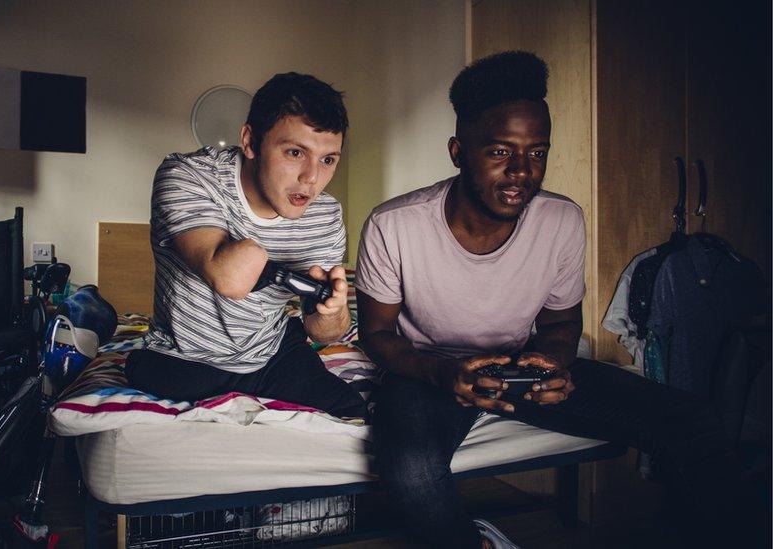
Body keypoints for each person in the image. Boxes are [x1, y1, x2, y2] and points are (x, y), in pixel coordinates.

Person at [355, 51, 766, 548]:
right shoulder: (394, 224)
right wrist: (442, 373)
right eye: (501, 152)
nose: (522, 172)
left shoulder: (561, 220)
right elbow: (376, 335)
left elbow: (561, 322)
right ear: (458, 151)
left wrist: (552, 364)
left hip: (521, 364)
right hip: (430, 372)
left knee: (690, 421)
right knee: (411, 471)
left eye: (538, 152)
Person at [126, 72, 367, 420]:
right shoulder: (188, 175)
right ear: (250, 141)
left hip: (270, 353)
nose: (311, 178)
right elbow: (228, 276)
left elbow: (325, 333)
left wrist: (332, 309)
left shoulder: (326, 214)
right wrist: (270, 260)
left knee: (353, 415)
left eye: (328, 160)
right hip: (183, 358)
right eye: (295, 152)